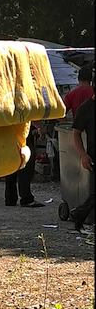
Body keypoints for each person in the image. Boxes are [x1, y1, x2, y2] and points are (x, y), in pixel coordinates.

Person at [70, 77, 94, 232]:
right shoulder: (85, 108)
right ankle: (79, 214)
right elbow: (76, 133)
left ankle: (79, 214)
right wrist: (83, 154)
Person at [5, 120, 47, 207]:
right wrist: (40, 126)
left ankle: (10, 197)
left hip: (8, 130)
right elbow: (28, 112)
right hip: (22, 131)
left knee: (11, 163)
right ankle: (26, 197)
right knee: (26, 164)